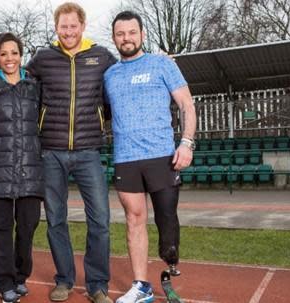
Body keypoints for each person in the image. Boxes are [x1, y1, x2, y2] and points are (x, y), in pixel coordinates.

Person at [25, 2, 117, 303]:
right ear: (56, 28)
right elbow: (20, 86)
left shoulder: (102, 57)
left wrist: (157, 61)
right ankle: (64, 279)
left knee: (100, 220)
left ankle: (97, 284)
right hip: (51, 151)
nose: (68, 32)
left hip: (89, 150)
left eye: (73, 26)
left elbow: (122, 83)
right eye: (63, 27)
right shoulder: (42, 59)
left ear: (82, 25)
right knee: (55, 219)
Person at [103, 11, 196, 303]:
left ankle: (169, 265)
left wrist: (187, 143)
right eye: (120, 34)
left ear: (142, 34)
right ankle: (141, 286)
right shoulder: (109, 75)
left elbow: (187, 105)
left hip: (161, 156)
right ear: (114, 37)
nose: (126, 38)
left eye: (132, 32)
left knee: (166, 220)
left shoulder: (161, 64)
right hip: (126, 158)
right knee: (134, 219)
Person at [0, 32, 44, 303]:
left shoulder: (35, 86)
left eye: (14, 53)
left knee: (27, 227)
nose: (10, 58)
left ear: (21, 54)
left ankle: (20, 277)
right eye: (4, 54)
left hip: (31, 170)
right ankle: (3, 281)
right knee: (2, 229)